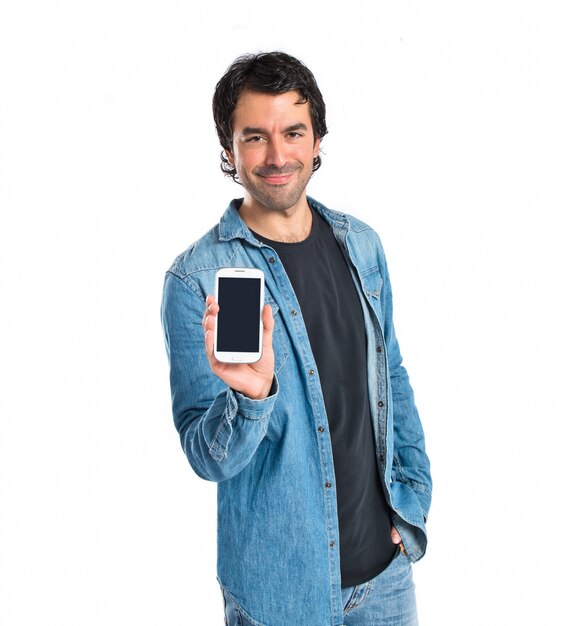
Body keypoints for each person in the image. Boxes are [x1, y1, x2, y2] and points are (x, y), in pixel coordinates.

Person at [161, 51, 432, 626]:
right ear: (227, 149)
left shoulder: (362, 246)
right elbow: (205, 458)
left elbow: (393, 378)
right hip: (279, 593)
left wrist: (412, 502)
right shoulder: (195, 279)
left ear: (317, 141)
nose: (277, 156)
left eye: (293, 132)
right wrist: (252, 399)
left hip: (385, 579)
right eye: (255, 136)